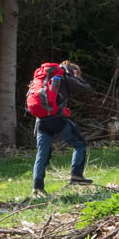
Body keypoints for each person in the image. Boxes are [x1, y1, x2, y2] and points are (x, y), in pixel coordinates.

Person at [25, 60, 97, 194]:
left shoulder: (44, 77)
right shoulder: (64, 76)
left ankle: (37, 187)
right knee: (80, 144)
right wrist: (77, 78)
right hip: (56, 119)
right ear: (74, 70)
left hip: (41, 120)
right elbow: (88, 90)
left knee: (42, 153)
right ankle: (76, 175)